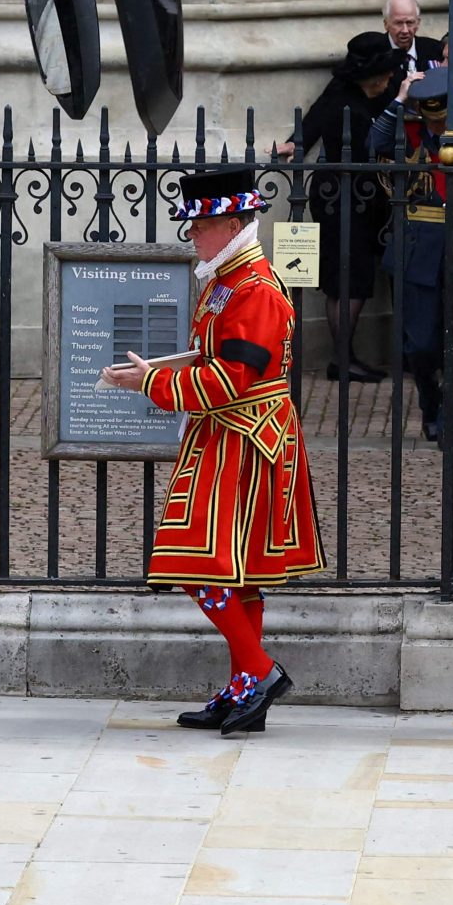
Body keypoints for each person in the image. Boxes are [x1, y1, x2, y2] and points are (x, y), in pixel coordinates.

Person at [102, 168, 324, 736]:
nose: (192, 236)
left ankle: (260, 671)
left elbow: (233, 379)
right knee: (236, 572)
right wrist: (163, 370)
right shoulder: (229, 277)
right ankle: (244, 688)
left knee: (199, 563)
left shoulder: (253, 287)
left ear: (229, 224)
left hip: (243, 437)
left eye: (198, 226)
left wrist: (149, 387)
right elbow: (213, 357)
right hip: (227, 435)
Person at [370, 70, 453, 441]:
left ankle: (452, 418)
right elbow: (372, 144)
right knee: (420, 344)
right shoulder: (408, 133)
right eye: (432, 118)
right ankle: (430, 399)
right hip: (419, 246)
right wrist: (400, 97)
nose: (438, 126)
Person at [283, 30, 399, 381]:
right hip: (342, 199)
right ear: (376, 77)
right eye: (388, 74)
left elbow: (313, 119)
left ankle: (343, 356)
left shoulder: (358, 93)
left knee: (346, 277)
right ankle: (342, 358)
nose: (392, 79)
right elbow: (330, 124)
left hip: (359, 199)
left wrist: (295, 141)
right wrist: (293, 143)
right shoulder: (350, 103)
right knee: (347, 277)